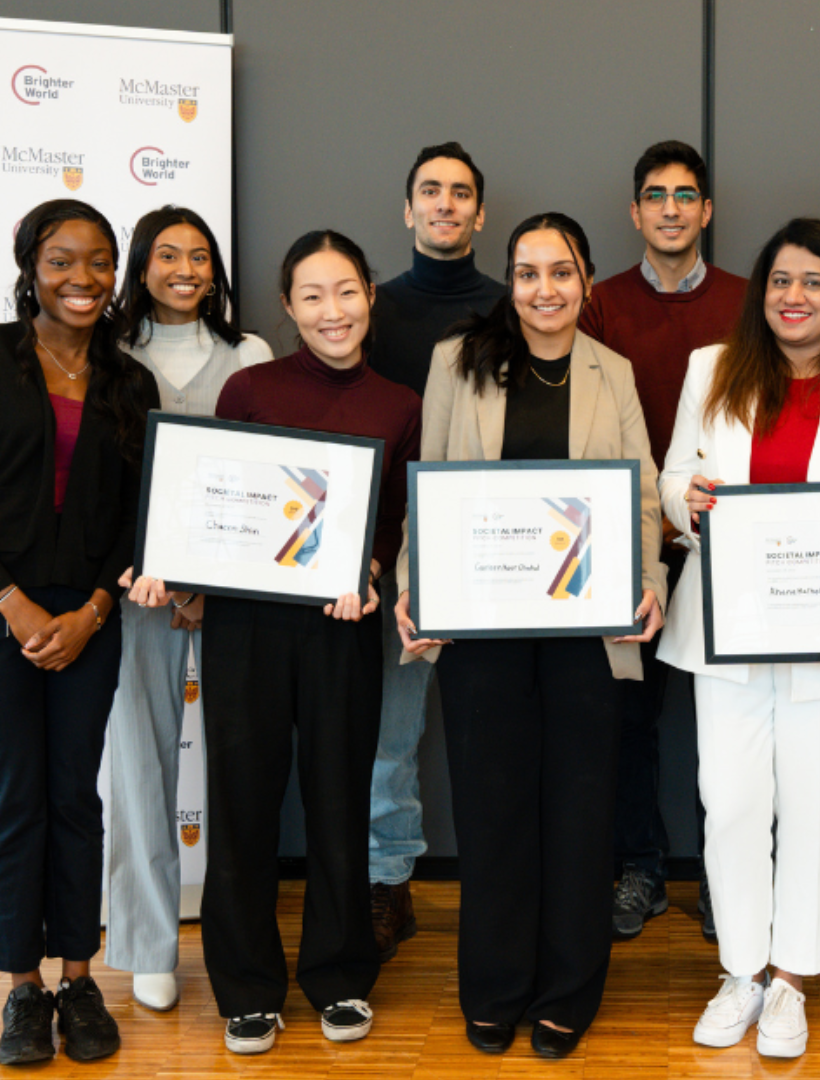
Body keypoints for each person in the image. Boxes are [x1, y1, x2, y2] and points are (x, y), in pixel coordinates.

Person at [124, 230, 420, 1055]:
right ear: (288, 308)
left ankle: (338, 978)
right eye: (314, 296)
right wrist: (170, 567)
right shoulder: (250, 387)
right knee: (244, 808)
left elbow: (394, 525)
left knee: (337, 805)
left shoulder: (400, 403)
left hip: (340, 628)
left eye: (348, 291)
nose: (335, 311)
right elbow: (217, 506)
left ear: (371, 296)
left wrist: (373, 564)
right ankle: (248, 987)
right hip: (247, 630)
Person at [393, 212, 666, 1060]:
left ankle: (567, 992)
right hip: (483, 630)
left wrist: (649, 584)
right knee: (493, 811)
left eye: (560, 272)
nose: (543, 289)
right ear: (508, 281)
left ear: (585, 281)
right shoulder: (456, 361)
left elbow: (645, 496)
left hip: (587, 632)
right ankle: (495, 987)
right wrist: (413, 588)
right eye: (527, 272)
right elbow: (427, 486)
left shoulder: (611, 371)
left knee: (581, 814)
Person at [658, 217, 820, 1059]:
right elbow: (672, 475)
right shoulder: (711, 370)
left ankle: (791, 982)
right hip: (726, 630)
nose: (794, 297)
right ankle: (741, 968)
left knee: (814, 808)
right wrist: (685, 503)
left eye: (813, 282)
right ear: (760, 293)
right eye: (780, 281)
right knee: (730, 803)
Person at [0, 198, 156, 1065]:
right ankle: (23, 990)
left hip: (89, 616)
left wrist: (92, 612)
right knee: (14, 800)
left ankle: (80, 980)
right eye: (61, 260)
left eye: (98, 262)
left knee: (73, 798)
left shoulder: (131, 381)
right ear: (29, 266)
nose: (82, 279)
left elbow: (138, 518)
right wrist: (15, 606)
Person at [102, 205, 271, 1014]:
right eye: (167, 255)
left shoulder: (250, 355)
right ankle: (146, 944)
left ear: (216, 272)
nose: (184, 269)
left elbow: (271, 478)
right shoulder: (106, 355)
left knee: (243, 767)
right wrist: (145, 572)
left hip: (234, 596)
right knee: (139, 770)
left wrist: (209, 582)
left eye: (200, 257)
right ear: (141, 267)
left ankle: (241, 944)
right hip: (136, 592)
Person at [579, 139, 746, 943]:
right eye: (656, 195)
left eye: (686, 195)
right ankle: (640, 869)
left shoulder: (753, 301)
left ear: (706, 210)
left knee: (731, 721)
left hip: (728, 547)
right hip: (628, 545)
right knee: (627, 720)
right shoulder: (597, 304)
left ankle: (728, 874)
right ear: (635, 211)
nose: (671, 208)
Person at [364, 141, 507, 961]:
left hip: (492, 551)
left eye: (460, 193)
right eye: (430, 191)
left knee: (495, 730)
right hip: (392, 557)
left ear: (480, 213)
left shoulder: (512, 305)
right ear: (408, 209)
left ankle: (508, 884)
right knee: (392, 734)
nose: (445, 204)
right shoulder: (370, 307)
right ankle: (388, 886)